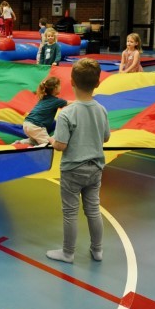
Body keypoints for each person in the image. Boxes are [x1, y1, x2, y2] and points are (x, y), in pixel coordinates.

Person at [46, 58, 110, 263]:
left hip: (73, 170)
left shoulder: (67, 113)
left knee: (70, 213)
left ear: (71, 82)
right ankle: (97, 250)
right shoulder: (101, 109)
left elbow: (61, 145)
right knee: (93, 209)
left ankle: (68, 252)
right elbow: (106, 137)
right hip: (96, 168)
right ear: (98, 83)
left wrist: (51, 140)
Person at [16, 76, 68, 146]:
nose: (61, 87)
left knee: (34, 141)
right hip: (36, 126)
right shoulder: (56, 101)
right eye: (59, 86)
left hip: (27, 124)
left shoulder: (43, 99)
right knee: (47, 144)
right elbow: (70, 103)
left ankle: (20, 143)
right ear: (55, 88)